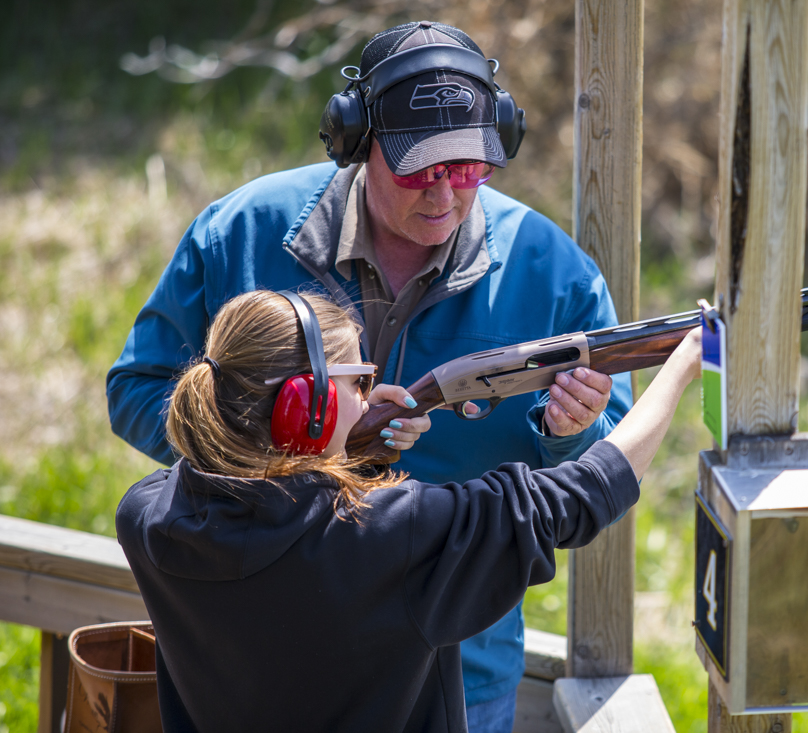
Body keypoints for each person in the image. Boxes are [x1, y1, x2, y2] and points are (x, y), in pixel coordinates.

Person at [106, 20, 633, 730]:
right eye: (420, 170)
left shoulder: (555, 273)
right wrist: (290, 461)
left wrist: (570, 430)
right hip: (252, 657)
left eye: (469, 170)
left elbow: (607, 456)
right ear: (356, 142)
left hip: (463, 667)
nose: (446, 195)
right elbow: (138, 389)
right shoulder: (239, 232)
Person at [115, 290, 701, 733]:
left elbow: (264, 507)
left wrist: (349, 451)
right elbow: (579, 496)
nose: (371, 394)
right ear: (304, 408)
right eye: (359, 381)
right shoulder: (391, 536)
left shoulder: (147, 518)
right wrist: (679, 366)